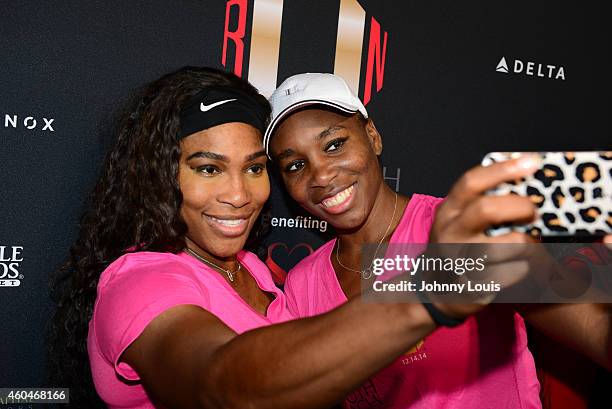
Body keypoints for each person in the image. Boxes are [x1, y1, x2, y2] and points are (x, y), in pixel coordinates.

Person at [49, 66, 542, 409]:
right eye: (207, 168)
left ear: (372, 136)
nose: (239, 195)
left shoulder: (265, 276)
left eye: (254, 168)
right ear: (160, 175)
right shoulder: (143, 282)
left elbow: (585, 301)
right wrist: (424, 292)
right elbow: (223, 387)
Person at [264, 72, 612, 409]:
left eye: (335, 145)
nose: (321, 174)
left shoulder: (463, 229)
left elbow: (593, 329)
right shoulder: (302, 285)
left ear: (372, 136)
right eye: (295, 165)